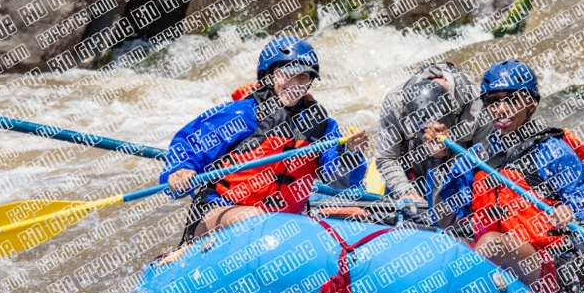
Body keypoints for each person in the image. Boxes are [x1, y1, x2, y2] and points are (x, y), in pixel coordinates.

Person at [424, 60, 584, 293]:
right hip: (497, 264)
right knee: (442, 245)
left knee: (493, 245)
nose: (501, 109)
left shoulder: (553, 151)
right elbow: (444, 218)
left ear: (531, 103)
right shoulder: (478, 157)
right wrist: (438, 159)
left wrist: (573, 217)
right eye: (493, 101)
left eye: (512, 100)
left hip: (554, 267)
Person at [160, 36, 368, 245]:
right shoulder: (241, 114)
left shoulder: (321, 126)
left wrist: (350, 152)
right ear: (269, 76)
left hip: (282, 227)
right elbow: (188, 145)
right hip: (222, 213)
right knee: (263, 220)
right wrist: (181, 170)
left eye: (303, 77)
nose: (295, 84)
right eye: (287, 74)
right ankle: (187, 249)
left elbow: (342, 183)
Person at [375, 62, 492, 201]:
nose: (431, 133)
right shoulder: (395, 102)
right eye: (426, 128)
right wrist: (406, 192)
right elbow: (387, 157)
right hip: (411, 176)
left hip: (459, 179)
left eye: (439, 126)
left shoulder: (478, 103)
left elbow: (485, 162)